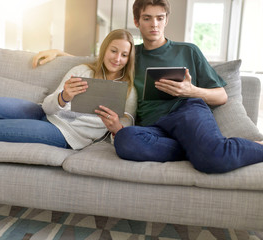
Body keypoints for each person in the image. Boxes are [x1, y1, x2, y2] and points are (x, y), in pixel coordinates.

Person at [32, 0, 263, 173]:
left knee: (212, 159)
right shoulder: (131, 55)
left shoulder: (188, 50)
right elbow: (103, 60)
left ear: (166, 20)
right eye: (147, 18)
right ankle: (193, 149)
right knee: (124, 140)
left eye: (160, 18)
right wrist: (60, 53)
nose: (154, 24)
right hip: (153, 127)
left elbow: (222, 96)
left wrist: (191, 91)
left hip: (187, 113)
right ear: (137, 22)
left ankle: (209, 149)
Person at [0, 29, 137, 150]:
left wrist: (115, 128)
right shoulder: (82, 70)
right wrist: (64, 97)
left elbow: (125, 130)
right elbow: (48, 107)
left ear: (129, 58)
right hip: (44, 113)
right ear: (104, 50)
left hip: (66, 134)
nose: (117, 58)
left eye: (124, 54)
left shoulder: (128, 91)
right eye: (113, 51)